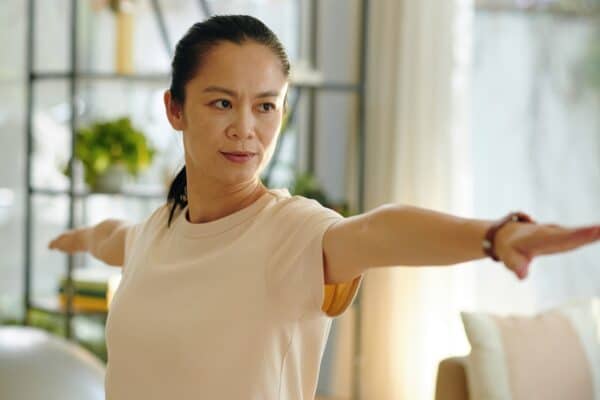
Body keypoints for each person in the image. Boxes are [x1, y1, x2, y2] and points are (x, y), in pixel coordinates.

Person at [47, 14, 600, 400]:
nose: (246, 129)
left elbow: (381, 231)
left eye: (266, 106)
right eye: (222, 102)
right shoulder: (154, 234)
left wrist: (493, 236)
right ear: (175, 108)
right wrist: (74, 238)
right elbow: (110, 235)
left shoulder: (291, 234)